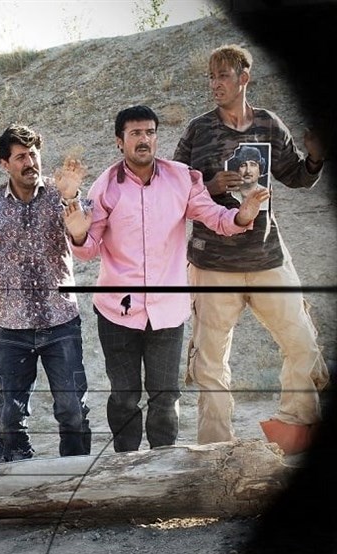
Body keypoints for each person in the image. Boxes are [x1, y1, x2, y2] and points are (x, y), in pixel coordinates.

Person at [65, 105, 268, 453]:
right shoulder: (105, 187)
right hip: (117, 313)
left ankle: (163, 465)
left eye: (150, 132)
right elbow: (89, 249)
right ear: (119, 141)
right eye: (135, 133)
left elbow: (214, 217)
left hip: (167, 311)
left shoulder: (181, 178)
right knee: (124, 397)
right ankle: (125, 466)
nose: (144, 139)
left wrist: (240, 217)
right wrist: (80, 234)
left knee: (165, 397)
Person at [173, 44, 331, 455]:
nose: (215, 84)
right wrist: (210, 186)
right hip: (212, 262)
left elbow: (295, 176)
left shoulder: (269, 124)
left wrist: (315, 159)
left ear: (244, 78)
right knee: (210, 362)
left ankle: (294, 427)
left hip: (267, 257)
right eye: (211, 77)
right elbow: (175, 189)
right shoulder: (197, 130)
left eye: (223, 75)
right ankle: (215, 449)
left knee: (302, 343)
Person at [0, 123, 91, 463]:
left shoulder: (60, 192)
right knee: (10, 418)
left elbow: (82, 236)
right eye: (20, 157)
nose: (29, 162)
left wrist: (72, 198)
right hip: (12, 329)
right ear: (5, 163)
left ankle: (76, 478)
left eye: (33, 154)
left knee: (73, 411)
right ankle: (14, 483)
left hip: (61, 322)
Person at [226, 144, 269, 210]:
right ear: (237, 170)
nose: (248, 171)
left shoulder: (266, 195)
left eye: (253, 165)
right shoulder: (229, 195)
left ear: (260, 171)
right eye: (243, 165)